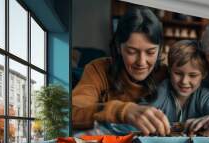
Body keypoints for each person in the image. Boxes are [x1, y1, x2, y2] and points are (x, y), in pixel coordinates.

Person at [72, 7, 171, 136]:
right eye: (132, 51)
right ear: (119, 47)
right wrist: (122, 110)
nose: (141, 62)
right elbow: (72, 112)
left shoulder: (166, 75)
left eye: (150, 52)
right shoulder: (98, 69)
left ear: (160, 50)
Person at [149, 40, 209, 127]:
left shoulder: (204, 96)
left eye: (193, 75)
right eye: (178, 73)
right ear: (169, 70)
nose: (184, 81)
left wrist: (206, 121)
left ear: (204, 74)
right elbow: (145, 111)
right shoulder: (163, 89)